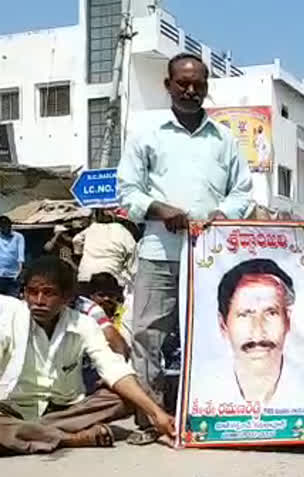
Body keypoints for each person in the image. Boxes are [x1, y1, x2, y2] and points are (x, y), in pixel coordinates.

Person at [117, 52, 252, 442]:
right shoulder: (147, 133)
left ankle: (207, 413)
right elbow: (127, 191)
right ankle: (150, 420)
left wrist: (219, 215)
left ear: (206, 88)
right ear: (168, 85)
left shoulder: (224, 139)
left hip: (211, 258)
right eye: (183, 83)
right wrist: (159, 209)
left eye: (198, 85)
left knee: (211, 334)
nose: (191, 90)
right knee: (147, 336)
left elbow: (241, 191)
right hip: (159, 253)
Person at [0, 257, 175, 455]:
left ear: (67, 298)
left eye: (48, 293)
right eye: (32, 292)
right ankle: (71, 438)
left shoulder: (84, 324)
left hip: (66, 410)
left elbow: (113, 368)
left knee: (130, 392)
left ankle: (30, 433)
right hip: (12, 408)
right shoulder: (9, 318)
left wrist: (157, 413)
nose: (39, 301)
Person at [217, 259, 304, 406]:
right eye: (245, 314)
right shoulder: (207, 390)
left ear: (288, 320)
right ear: (223, 325)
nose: (258, 332)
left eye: (271, 313)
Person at [72, 209, 136, 287]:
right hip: (111, 278)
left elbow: (76, 240)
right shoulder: (123, 231)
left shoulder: (92, 228)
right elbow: (132, 253)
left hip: (85, 276)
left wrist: (79, 253)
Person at [74, 272, 130, 359]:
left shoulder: (124, 313)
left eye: (111, 295)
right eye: (101, 295)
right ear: (92, 296)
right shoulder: (85, 315)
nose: (106, 299)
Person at [0, 216, 24, 297]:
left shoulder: (18, 237)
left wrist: (19, 272)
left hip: (13, 276)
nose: (4, 228)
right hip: (0, 276)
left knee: (12, 303)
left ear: (10, 225)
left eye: (6, 225)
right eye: (2, 226)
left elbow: (21, 256)